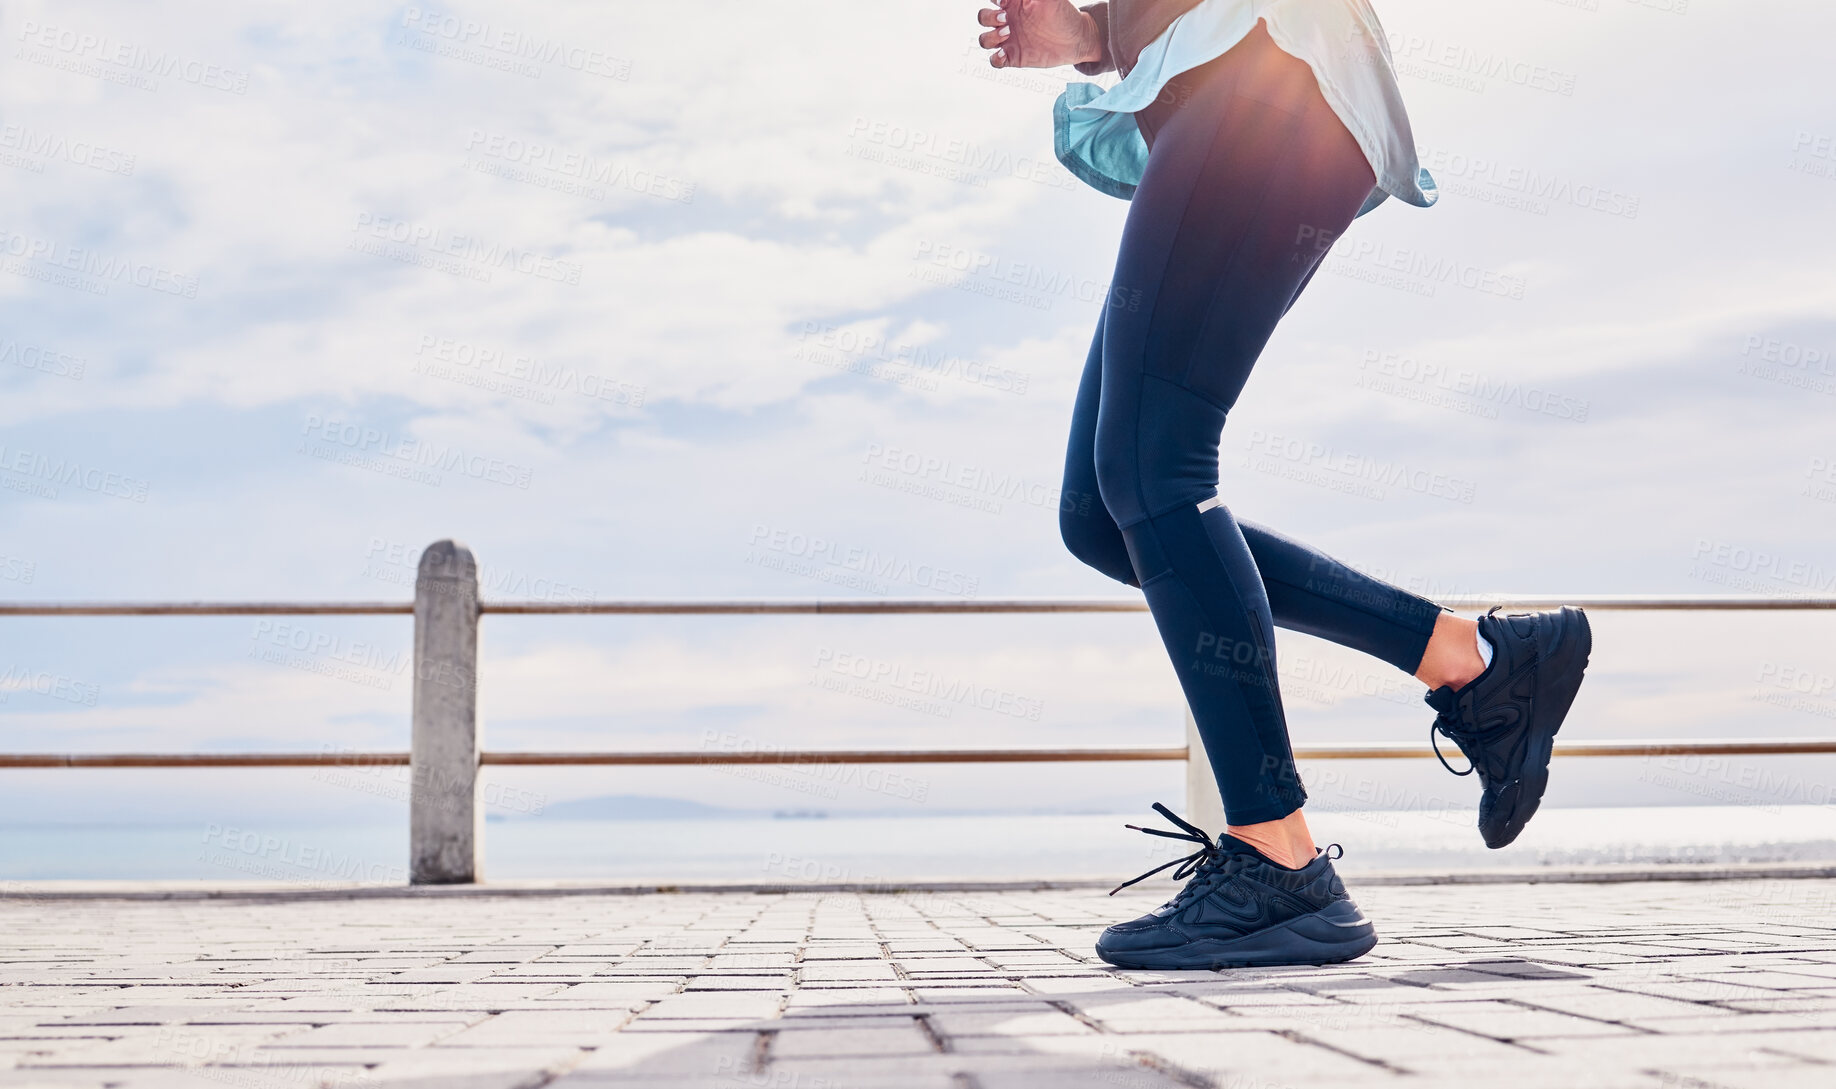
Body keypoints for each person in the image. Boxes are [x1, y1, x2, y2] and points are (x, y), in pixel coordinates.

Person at [973, 0, 1592, 969]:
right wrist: (1097, 36)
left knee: (1155, 467)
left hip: (1262, 74)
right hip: (1226, 89)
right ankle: (1470, 658)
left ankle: (1277, 856)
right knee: (1104, 514)